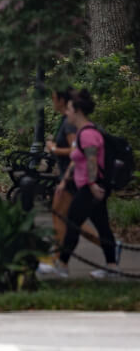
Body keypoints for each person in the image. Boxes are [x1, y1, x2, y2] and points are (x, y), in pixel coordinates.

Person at [37, 89, 121, 279]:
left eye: (69, 109)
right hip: (89, 186)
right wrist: (66, 178)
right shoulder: (83, 133)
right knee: (101, 226)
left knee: (73, 224)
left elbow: (92, 161)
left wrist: (91, 185)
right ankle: (112, 266)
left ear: (77, 111)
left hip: (90, 187)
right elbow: (79, 159)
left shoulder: (88, 134)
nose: (67, 113)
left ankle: (63, 265)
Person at [44, 88, 102, 250]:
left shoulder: (68, 125)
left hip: (72, 177)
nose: (52, 100)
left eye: (53, 97)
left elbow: (75, 151)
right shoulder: (66, 121)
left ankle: (59, 256)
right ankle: (109, 246)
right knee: (69, 217)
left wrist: (54, 149)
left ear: (62, 100)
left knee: (63, 216)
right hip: (69, 176)